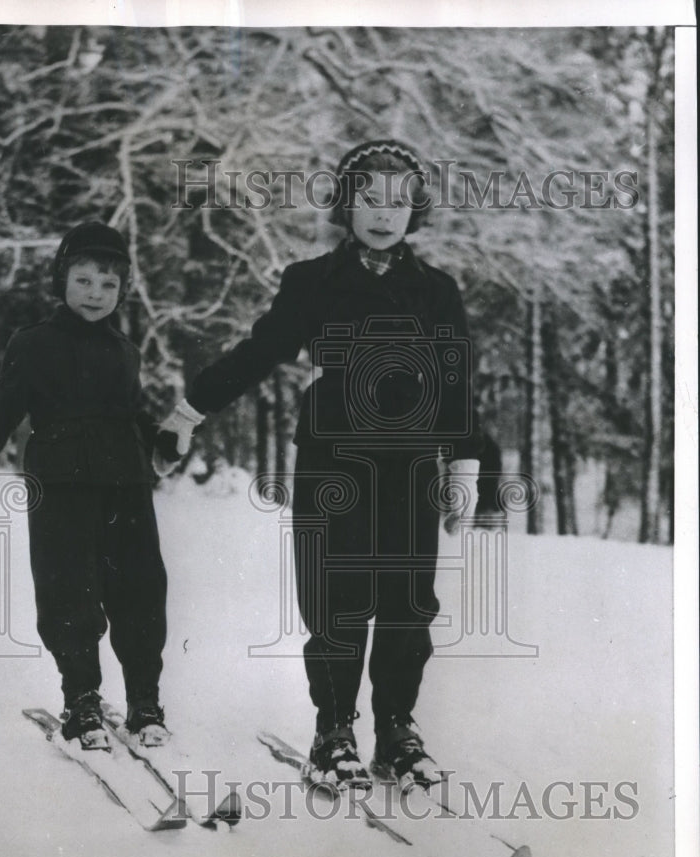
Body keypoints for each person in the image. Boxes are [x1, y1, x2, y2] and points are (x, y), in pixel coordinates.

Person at [160, 139, 482, 791]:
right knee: (337, 602)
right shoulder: (312, 283)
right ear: (345, 204)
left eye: (397, 200)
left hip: (411, 465)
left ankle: (395, 727)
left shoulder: (435, 291)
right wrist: (190, 410)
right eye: (368, 197)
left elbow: (456, 381)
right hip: (332, 462)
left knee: (406, 603)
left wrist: (464, 464)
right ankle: (332, 731)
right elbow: (258, 352)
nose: (383, 212)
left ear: (414, 209)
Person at [0, 222, 170, 750]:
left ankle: (144, 701)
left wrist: (163, 438)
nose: (96, 294)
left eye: (108, 285)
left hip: (125, 485)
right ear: (61, 280)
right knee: (70, 593)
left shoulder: (125, 350)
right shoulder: (34, 344)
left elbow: (134, 415)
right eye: (84, 280)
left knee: (140, 594)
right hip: (61, 485)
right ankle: (82, 700)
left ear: (122, 290)